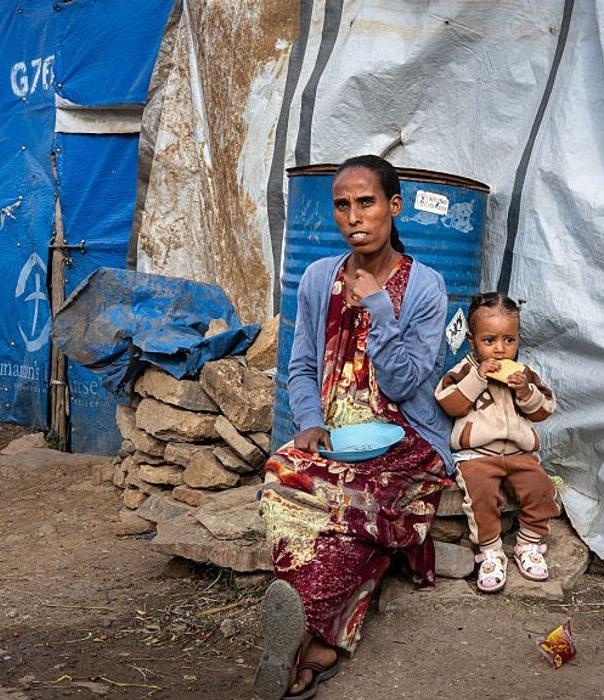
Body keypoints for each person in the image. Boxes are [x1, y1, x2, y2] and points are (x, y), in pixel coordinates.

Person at [255, 155, 453, 700]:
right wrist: (311, 423)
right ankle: (318, 645)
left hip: (407, 440)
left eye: (366, 202)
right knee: (281, 474)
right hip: (337, 436)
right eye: (342, 205)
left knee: (350, 500)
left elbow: (407, 384)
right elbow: (299, 367)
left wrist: (379, 311)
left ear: (393, 207)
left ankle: (305, 642)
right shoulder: (319, 278)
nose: (354, 216)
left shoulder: (426, 288)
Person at [433, 292, 559, 593]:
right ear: (471, 339)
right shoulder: (463, 371)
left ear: (518, 339)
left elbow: (544, 410)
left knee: (541, 488)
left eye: (509, 341)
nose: (500, 350)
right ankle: (490, 550)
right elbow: (450, 404)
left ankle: (528, 544)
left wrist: (526, 391)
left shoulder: (523, 373)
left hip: (519, 454)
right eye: (489, 341)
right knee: (480, 494)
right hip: (476, 455)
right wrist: (477, 378)